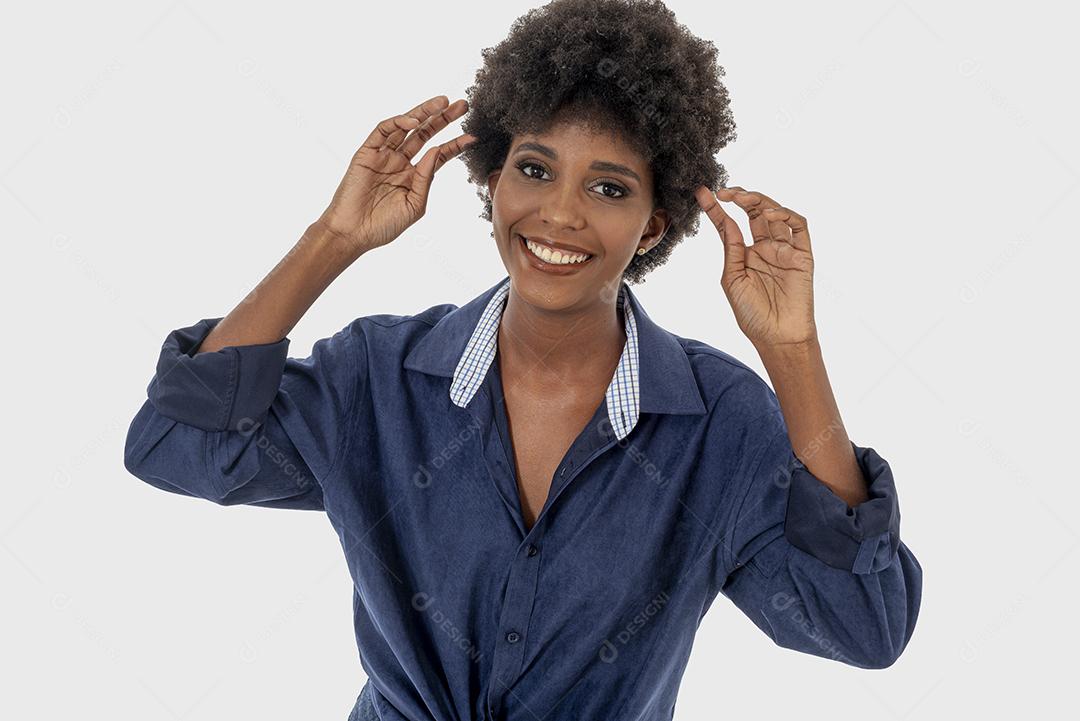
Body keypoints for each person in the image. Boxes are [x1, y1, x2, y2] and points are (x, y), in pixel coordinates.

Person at [123, 1, 923, 719]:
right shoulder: (379, 376)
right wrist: (334, 240)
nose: (560, 214)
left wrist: (793, 352)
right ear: (494, 178)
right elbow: (175, 445)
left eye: (609, 188)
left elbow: (863, 627)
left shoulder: (720, 423)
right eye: (534, 169)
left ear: (653, 225)